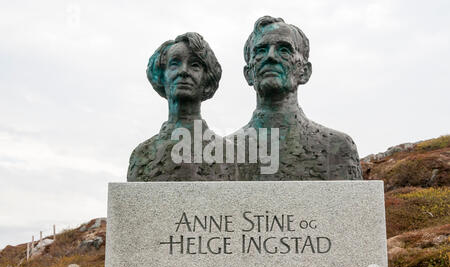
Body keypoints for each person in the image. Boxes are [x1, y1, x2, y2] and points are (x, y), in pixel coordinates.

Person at [228, 16, 362, 180]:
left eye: (284, 50)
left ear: (305, 72)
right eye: (260, 50)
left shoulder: (338, 148)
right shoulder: (224, 153)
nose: (270, 56)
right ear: (248, 74)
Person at [127, 32, 233, 181]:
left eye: (194, 65)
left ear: (207, 80)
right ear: (161, 76)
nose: (184, 71)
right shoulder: (142, 155)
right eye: (175, 63)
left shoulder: (228, 154)